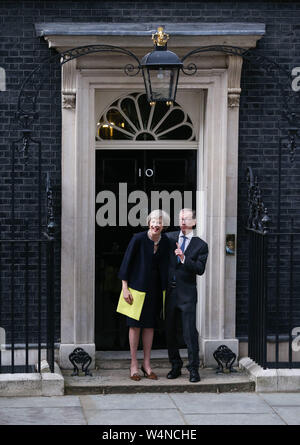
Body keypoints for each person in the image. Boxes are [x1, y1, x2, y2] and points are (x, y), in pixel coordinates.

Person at [118, 210, 170, 381]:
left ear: (164, 225)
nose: (156, 225)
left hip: (155, 290)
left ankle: (146, 365)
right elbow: (126, 263)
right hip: (135, 289)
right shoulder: (138, 239)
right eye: (154, 221)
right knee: (134, 326)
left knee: (149, 326)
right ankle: (133, 365)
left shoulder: (166, 242)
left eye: (160, 222)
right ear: (149, 223)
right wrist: (125, 288)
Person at [165, 208, 208, 383]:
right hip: (169, 293)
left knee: (189, 332)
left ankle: (193, 368)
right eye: (181, 218)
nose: (182, 222)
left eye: (186, 219)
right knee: (169, 331)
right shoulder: (169, 239)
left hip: (188, 294)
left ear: (194, 222)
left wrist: (184, 258)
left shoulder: (200, 245)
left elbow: (200, 269)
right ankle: (175, 365)